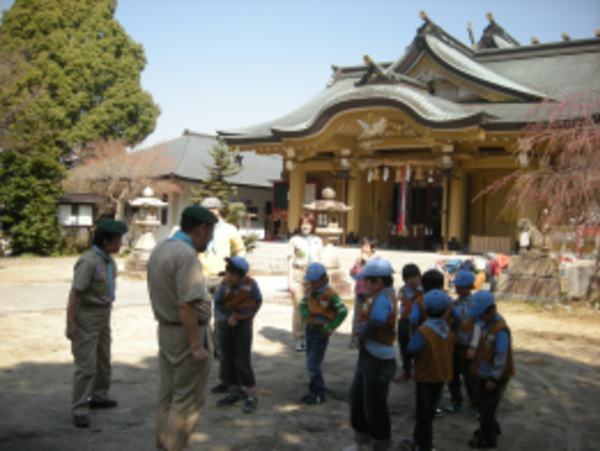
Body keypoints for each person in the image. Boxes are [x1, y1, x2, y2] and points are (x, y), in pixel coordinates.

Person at [147, 205, 217, 451]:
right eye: (211, 232)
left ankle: (163, 443)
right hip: (186, 332)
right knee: (186, 401)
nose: (210, 239)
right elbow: (187, 304)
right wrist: (196, 344)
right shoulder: (186, 254)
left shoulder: (161, 248)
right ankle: (175, 446)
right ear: (202, 229)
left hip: (166, 329)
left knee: (167, 395)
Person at [66, 218, 127, 428]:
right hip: (88, 315)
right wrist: (71, 323)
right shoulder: (89, 262)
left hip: (103, 314)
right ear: (105, 241)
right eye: (117, 240)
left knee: (103, 359)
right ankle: (80, 408)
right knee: (86, 365)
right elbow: (75, 293)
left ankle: (99, 395)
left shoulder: (109, 261)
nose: (121, 244)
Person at [345, 259, 397, 451]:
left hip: (378, 359)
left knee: (374, 404)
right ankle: (361, 440)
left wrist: (363, 333)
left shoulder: (383, 297)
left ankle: (381, 444)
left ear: (379, 282)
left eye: (367, 280)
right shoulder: (378, 295)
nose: (364, 283)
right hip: (369, 354)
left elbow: (378, 320)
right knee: (358, 397)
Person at [198, 197, 246, 395]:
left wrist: (236, 268)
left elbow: (240, 249)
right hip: (200, 277)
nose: (212, 212)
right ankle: (204, 352)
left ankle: (224, 368)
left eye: (215, 209)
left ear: (219, 210)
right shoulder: (198, 229)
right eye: (208, 209)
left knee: (223, 322)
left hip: (222, 279)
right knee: (201, 318)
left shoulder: (229, 229)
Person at [405, 290, 455, 451]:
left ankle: (425, 446)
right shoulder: (447, 329)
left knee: (423, 414)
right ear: (445, 309)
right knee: (430, 411)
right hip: (441, 375)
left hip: (425, 376)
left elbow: (411, 350)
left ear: (425, 309)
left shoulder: (424, 331)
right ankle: (417, 440)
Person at [214, 256, 262, 414]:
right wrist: (227, 318)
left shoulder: (251, 285)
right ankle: (233, 392)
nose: (228, 277)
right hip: (226, 324)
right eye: (228, 272)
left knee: (242, 361)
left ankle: (251, 396)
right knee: (227, 359)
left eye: (233, 274)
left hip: (243, 325)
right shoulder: (224, 285)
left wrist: (245, 317)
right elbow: (218, 304)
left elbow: (257, 301)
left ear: (242, 276)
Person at [467, 291, 514, 449]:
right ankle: (491, 428)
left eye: (480, 315)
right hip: (485, 372)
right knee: (484, 404)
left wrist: (494, 378)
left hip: (495, 376)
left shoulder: (500, 330)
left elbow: (501, 356)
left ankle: (487, 439)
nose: (478, 318)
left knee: (487, 407)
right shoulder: (486, 324)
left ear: (491, 311)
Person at [299, 262, 348, 405]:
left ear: (324, 279)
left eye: (314, 281)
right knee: (310, 361)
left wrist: (331, 327)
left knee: (313, 364)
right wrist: (305, 314)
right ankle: (313, 390)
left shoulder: (330, 294)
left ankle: (319, 393)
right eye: (310, 281)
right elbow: (303, 304)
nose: (312, 284)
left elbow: (343, 311)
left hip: (321, 332)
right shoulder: (310, 291)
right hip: (310, 329)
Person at [287, 213, 323, 352]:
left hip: (314, 278)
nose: (305, 226)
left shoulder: (318, 240)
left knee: (313, 308)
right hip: (299, 275)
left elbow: (320, 260)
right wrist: (289, 281)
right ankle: (299, 338)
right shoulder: (294, 240)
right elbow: (290, 260)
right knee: (299, 308)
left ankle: (309, 337)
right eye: (303, 223)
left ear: (313, 225)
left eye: (308, 223)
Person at [446, 270, 479, 414]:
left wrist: (474, 346)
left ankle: (476, 405)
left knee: (470, 378)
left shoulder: (476, 305)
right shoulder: (454, 303)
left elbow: (478, 327)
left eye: (461, 286)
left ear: (469, 287)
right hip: (454, 344)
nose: (457, 288)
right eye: (457, 286)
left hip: (468, 346)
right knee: (452, 376)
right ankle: (456, 401)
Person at [395, 263, 423, 383]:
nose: (412, 281)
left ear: (420, 277)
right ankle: (406, 371)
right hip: (404, 321)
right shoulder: (403, 290)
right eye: (409, 279)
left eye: (415, 277)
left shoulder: (424, 290)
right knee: (404, 346)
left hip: (419, 323)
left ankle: (419, 371)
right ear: (404, 280)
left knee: (418, 348)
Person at [349, 237, 377, 348]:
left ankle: (366, 339)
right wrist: (357, 265)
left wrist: (367, 262)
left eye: (366, 246)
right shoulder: (359, 259)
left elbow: (375, 273)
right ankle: (354, 339)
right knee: (357, 317)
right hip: (359, 292)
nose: (363, 248)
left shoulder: (376, 259)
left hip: (370, 294)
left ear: (372, 248)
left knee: (368, 316)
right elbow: (352, 273)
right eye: (362, 245)